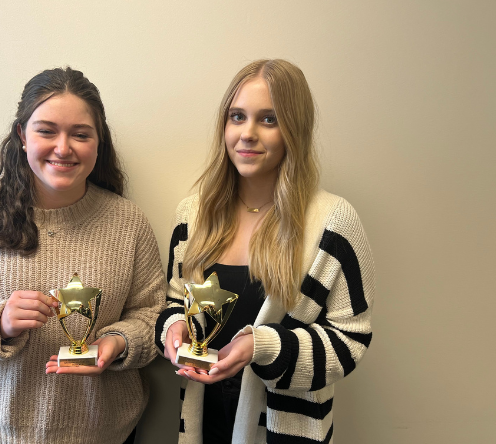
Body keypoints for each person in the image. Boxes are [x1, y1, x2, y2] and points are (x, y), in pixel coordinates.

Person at [0, 67, 166, 444]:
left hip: (108, 431)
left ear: (98, 142)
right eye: (47, 130)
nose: (63, 147)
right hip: (3, 430)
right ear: (22, 135)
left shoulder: (128, 222)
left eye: (80, 134)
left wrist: (117, 342)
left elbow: (153, 315)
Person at [155, 59, 375, 444]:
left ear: (295, 129)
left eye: (269, 120)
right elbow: (175, 302)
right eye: (237, 117)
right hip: (203, 421)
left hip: (284, 428)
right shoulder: (191, 215)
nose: (247, 134)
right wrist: (173, 330)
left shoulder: (333, 224)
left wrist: (262, 346)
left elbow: (350, 340)